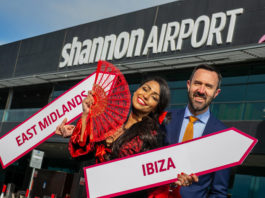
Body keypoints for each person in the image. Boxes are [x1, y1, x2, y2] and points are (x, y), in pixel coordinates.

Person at [56, 76, 198, 198]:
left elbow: (159, 172)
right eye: (145, 89)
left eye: (154, 97)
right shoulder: (112, 125)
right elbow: (81, 153)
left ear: (156, 107)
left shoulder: (154, 136)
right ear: (136, 91)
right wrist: (86, 115)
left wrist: (177, 178)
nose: (146, 96)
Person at [165, 64, 230, 198]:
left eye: (208, 86)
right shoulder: (164, 120)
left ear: (216, 93)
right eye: (197, 83)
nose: (201, 90)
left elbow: (218, 192)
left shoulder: (223, 136)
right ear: (189, 85)